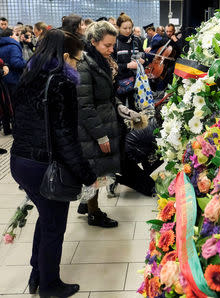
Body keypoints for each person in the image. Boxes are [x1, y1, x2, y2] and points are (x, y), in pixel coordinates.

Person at [10, 29, 96, 298]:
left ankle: (37, 274)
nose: (76, 66)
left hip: (20, 161)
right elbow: (65, 137)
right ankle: (50, 285)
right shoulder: (61, 82)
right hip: (44, 165)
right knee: (54, 226)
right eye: (76, 60)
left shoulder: (29, 74)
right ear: (66, 56)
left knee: (46, 218)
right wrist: (86, 173)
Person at [76, 20, 140, 227]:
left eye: (113, 45)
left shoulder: (101, 61)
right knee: (94, 169)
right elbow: (85, 106)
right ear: (93, 42)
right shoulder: (84, 65)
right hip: (93, 129)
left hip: (106, 121)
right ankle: (93, 213)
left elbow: (109, 95)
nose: (112, 49)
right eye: (107, 45)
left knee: (99, 168)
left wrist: (122, 108)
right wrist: (101, 135)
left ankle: (87, 203)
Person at [112, 12, 146, 111]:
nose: (128, 31)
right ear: (118, 27)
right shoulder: (114, 42)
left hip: (136, 82)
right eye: (125, 28)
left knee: (136, 110)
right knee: (120, 111)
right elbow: (111, 65)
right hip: (119, 83)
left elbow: (144, 57)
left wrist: (143, 61)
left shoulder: (136, 41)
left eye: (130, 28)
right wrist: (127, 65)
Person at [0, 28, 27, 134]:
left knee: (4, 104)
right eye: (16, 35)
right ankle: (17, 128)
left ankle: (6, 128)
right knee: (15, 105)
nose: (17, 37)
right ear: (11, 36)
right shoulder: (14, 46)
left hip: (2, 79)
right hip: (13, 79)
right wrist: (28, 63)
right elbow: (15, 62)